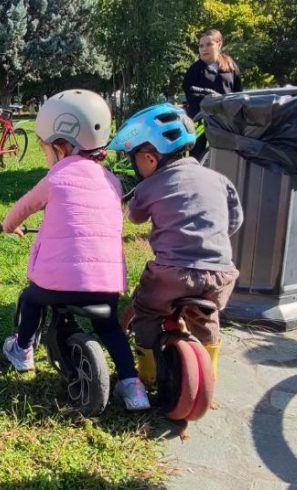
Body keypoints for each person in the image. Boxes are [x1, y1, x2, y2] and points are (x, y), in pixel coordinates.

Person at [0, 89, 150, 411]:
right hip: (106, 284)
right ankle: (132, 385)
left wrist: (8, 226)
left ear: (61, 146)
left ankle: (22, 350)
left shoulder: (55, 179)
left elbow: (22, 209)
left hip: (55, 284)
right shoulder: (112, 181)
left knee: (31, 299)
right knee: (110, 328)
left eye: (45, 148)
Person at [108, 103, 243, 390]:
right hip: (220, 274)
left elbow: (135, 217)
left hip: (171, 274)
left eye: (134, 160)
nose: (135, 166)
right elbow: (234, 221)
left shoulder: (148, 187)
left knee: (146, 312)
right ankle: (209, 375)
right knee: (207, 318)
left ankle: (148, 374)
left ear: (149, 158)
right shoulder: (219, 179)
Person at [182, 29, 242, 159]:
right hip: (201, 119)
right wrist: (210, 98)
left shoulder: (230, 66)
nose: (204, 49)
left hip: (225, 119)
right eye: (201, 46)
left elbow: (238, 93)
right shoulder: (195, 69)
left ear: (219, 44)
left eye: (209, 44)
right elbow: (189, 90)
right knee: (197, 153)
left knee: (226, 154)